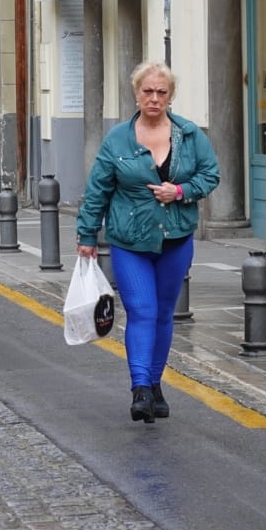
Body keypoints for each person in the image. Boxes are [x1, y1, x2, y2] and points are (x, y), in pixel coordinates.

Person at [76, 61, 220, 424]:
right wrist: (87, 235)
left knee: (164, 313)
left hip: (176, 239)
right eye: (147, 92)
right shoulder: (118, 140)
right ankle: (140, 388)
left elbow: (211, 174)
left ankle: (155, 384)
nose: (154, 98)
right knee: (142, 310)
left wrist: (182, 191)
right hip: (130, 241)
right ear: (136, 94)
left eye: (162, 92)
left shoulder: (189, 134)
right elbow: (97, 190)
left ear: (170, 96)